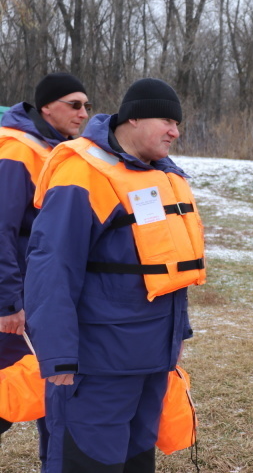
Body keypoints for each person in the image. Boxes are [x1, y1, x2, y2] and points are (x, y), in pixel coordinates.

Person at [24, 78, 204, 473]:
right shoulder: (84, 173)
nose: (175, 131)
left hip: (151, 361)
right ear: (133, 118)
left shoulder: (160, 175)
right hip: (96, 366)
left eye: (178, 123)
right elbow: (51, 268)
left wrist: (175, 342)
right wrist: (57, 358)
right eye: (167, 120)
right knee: (87, 462)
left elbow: (166, 274)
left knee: (136, 461)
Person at [0, 72, 89, 463]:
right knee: (10, 391)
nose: (84, 113)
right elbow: (1, 229)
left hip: (44, 297)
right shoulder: (18, 150)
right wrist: (7, 303)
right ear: (46, 106)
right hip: (18, 302)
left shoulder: (58, 151)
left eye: (87, 106)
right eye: (75, 104)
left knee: (52, 390)